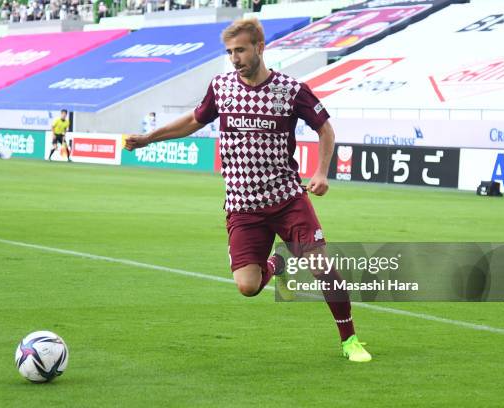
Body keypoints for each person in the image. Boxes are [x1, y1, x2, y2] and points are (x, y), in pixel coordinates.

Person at [124, 18, 371, 362]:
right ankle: (277, 263)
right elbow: (194, 120)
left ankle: (350, 341)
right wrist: (149, 138)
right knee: (248, 286)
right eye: (230, 52)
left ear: (259, 47)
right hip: (243, 206)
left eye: (240, 50)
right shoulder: (221, 87)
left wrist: (321, 172)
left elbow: (325, 130)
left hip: (287, 199)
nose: (235, 58)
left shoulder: (291, 90)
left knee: (320, 266)